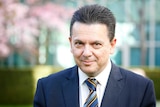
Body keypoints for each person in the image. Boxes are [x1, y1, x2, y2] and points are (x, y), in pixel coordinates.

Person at [34, 4, 156, 107]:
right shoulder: (47, 88)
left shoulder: (141, 90)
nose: (86, 53)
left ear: (112, 45)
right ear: (70, 43)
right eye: (79, 43)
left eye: (96, 44)